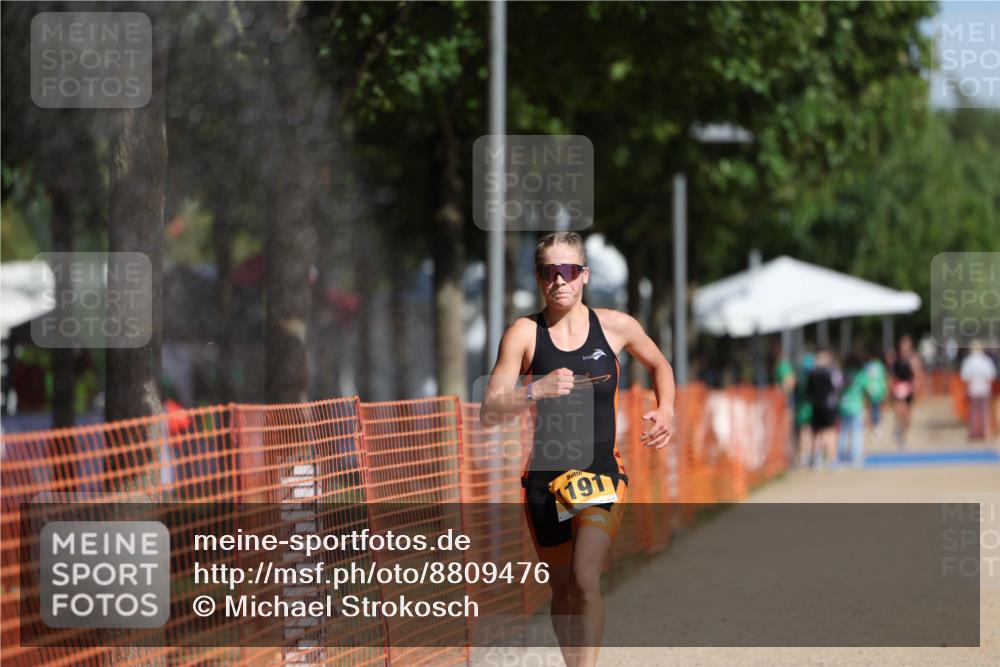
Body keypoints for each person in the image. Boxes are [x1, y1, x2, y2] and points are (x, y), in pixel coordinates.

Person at [480, 231, 676, 667]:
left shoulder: (616, 327)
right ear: (538, 278)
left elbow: (660, 364)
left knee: (586, 578)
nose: (559, 281)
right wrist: (535, 390)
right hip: (544, 479)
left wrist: (667, 409)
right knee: (563, 587)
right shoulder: (524, 334)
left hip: (600, 471)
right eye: (549, 273)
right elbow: (490, 410)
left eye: (568, 271)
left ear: (584, 275)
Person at [805, 349, 842, 470]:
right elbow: (837, 386)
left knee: (816, 433)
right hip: (828, 407)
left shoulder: (812, 373)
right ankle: (832, 459)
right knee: (829, 432)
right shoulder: (829, 372)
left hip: (816, 406)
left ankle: (815, 458)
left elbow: (808, 391)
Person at [889, 335, 923, 448]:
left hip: (908, 387)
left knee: (908, 417)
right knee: (899, 410)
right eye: (903, 344)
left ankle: (902, 434)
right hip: (899, 386)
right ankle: (897, 428)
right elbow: (891, 373)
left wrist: (916, 385)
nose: (904, 347)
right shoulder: (895, 357)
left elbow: (918, 373)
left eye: (907, 345)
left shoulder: (913, 358)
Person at [959, 340, 997, 441]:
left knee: (974, 411)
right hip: (984, 390)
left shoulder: (969, 360)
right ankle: (985, 432)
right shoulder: (986, 360)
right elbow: (991, 376)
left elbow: (965, 377)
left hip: (973, 389)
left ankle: (974, 432)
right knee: (984, 411)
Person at [837, 354, 867, 468]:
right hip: (856, 406)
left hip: (844, 405)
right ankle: (856, 456)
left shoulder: (842, 373)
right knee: (857, 432)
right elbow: (867, 388)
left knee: (843, 431)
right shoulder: (861, 375)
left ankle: (841, 455)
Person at [863, 349, 889, 441]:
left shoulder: (868, 365)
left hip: (871, 389)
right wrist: (885, 389)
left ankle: (876, 425)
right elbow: (883, 378)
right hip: (878, 390)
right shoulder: (880, 365)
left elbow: (866, 378)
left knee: (873, 408)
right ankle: (877, 425)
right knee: (876, 407)